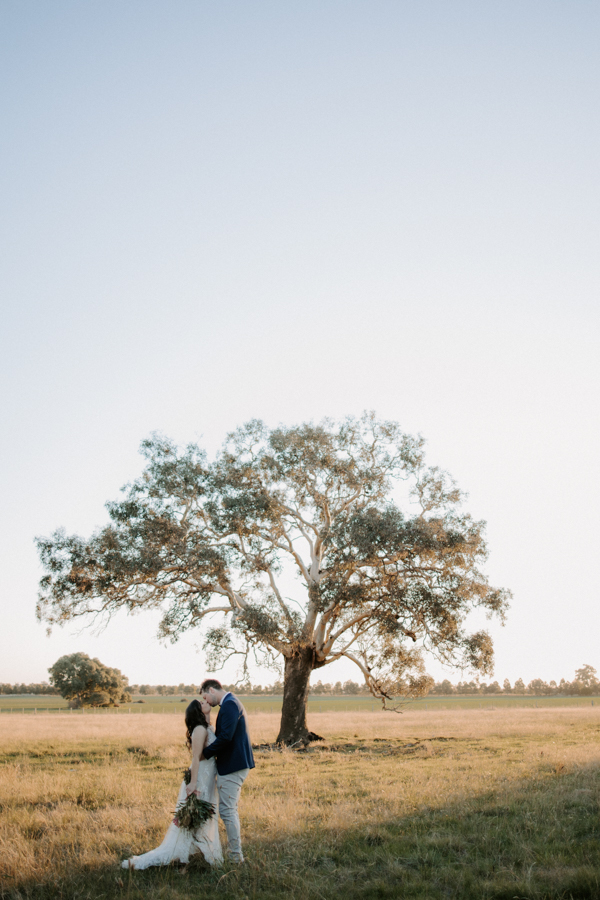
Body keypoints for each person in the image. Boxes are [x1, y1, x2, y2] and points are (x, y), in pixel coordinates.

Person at [121, 699, 222, 869]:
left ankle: (196, 853)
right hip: (199, 781)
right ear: (198, 711)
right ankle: (183, 859)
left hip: (208, 779)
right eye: (202, 703)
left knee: (202, 818)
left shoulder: (208, 727)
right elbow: (195, 759)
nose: (206, 702)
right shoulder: (199, 729)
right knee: (191, 819)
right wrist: (193, 784)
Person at [201, 678, 255, 863]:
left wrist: (204, 754)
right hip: (233, 764)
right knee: (228, 809)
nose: (206, 701)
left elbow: (225, 737)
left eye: (205, 696)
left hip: (234, 764)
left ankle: (235, 855)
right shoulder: (229, 703)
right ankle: (235, 853)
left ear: (211, 690)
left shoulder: (230, 704)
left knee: (227, 810)